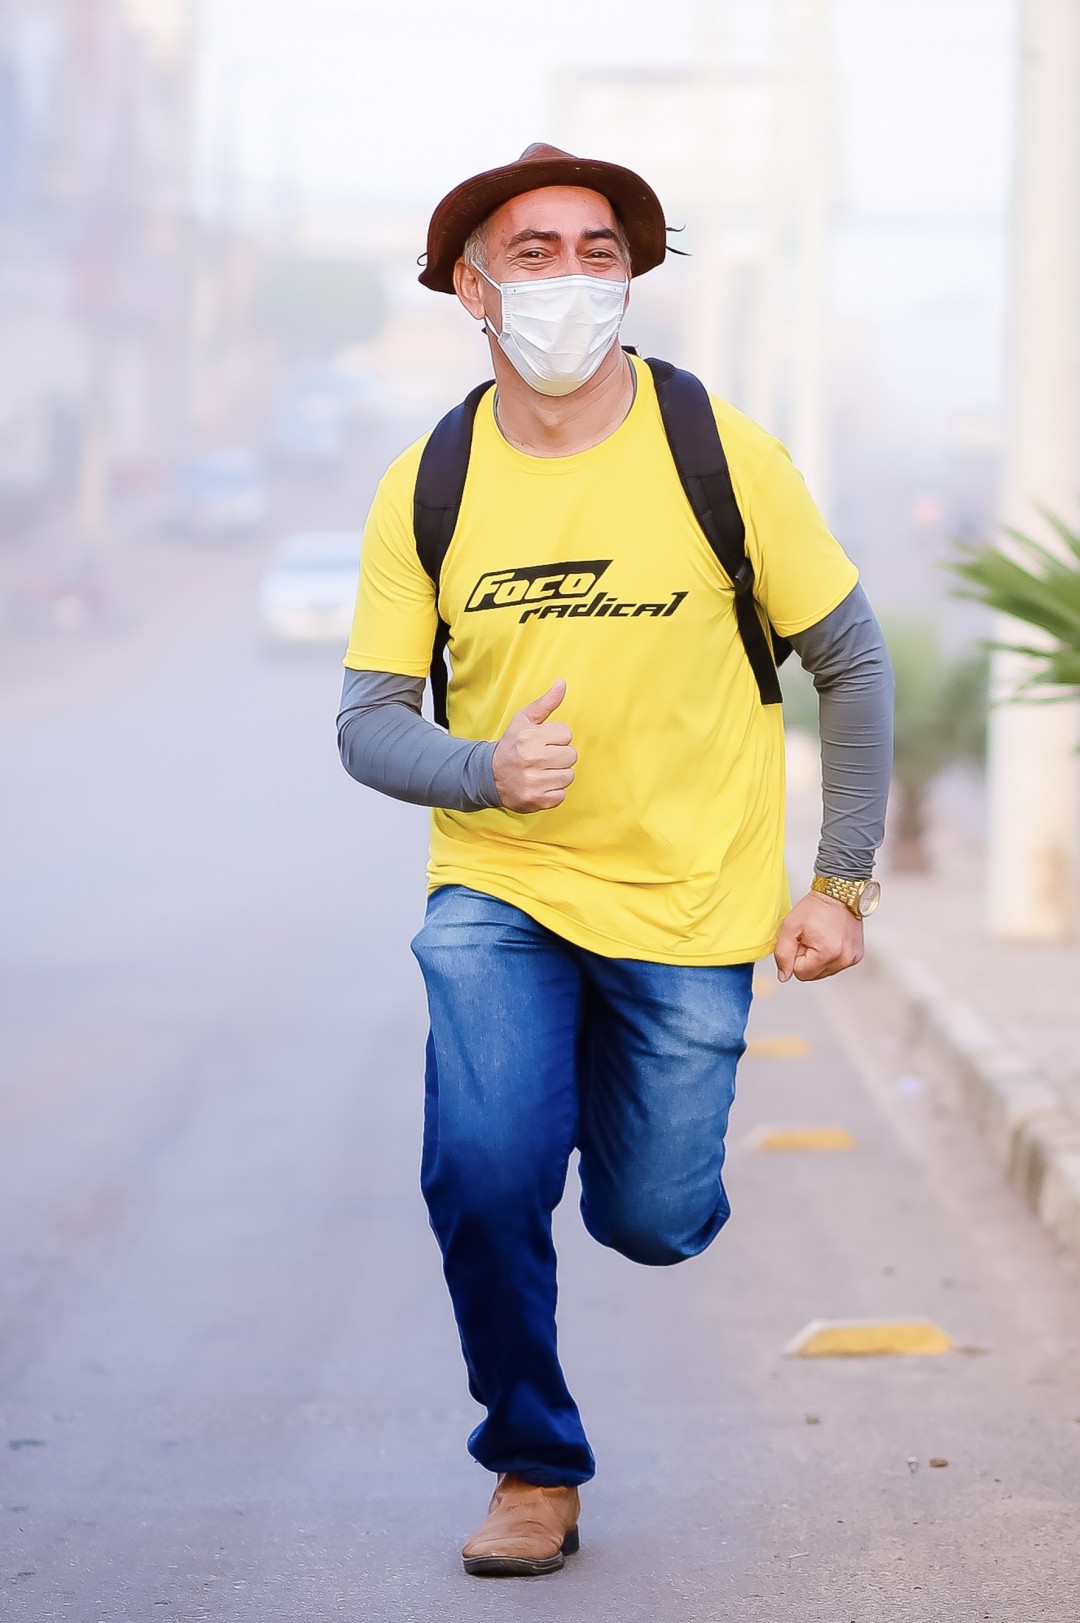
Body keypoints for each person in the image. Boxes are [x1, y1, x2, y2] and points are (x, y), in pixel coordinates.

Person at [337, 143, 893, 1578]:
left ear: (633, 279)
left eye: (600, 253)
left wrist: (838, 882)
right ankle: (533, 1466)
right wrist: (486, 771)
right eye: (535, 253)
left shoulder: (721, 452)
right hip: (503, 888)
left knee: (653, 1220)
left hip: (688, 899)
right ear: (473, 288)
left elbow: (851, 657)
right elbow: (368, 724)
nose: (572, 279)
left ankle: (598, 1091)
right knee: (482, 1172)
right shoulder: (430, 483)